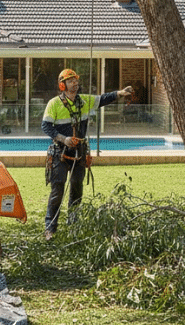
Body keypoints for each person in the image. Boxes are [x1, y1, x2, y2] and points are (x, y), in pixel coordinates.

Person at [42, 69, 133, 239]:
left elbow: (103, 99)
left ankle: (74, 225)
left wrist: (120, 93)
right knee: (57, 190)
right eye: (70, 81)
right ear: (63, 85)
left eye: (75, 81)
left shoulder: (85, 101)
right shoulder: (54, 103)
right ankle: (50, 227)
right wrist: (63, 138)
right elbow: (46, 126)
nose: (74, 84)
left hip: (79, 152)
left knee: (77, 188)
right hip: (60, 153)